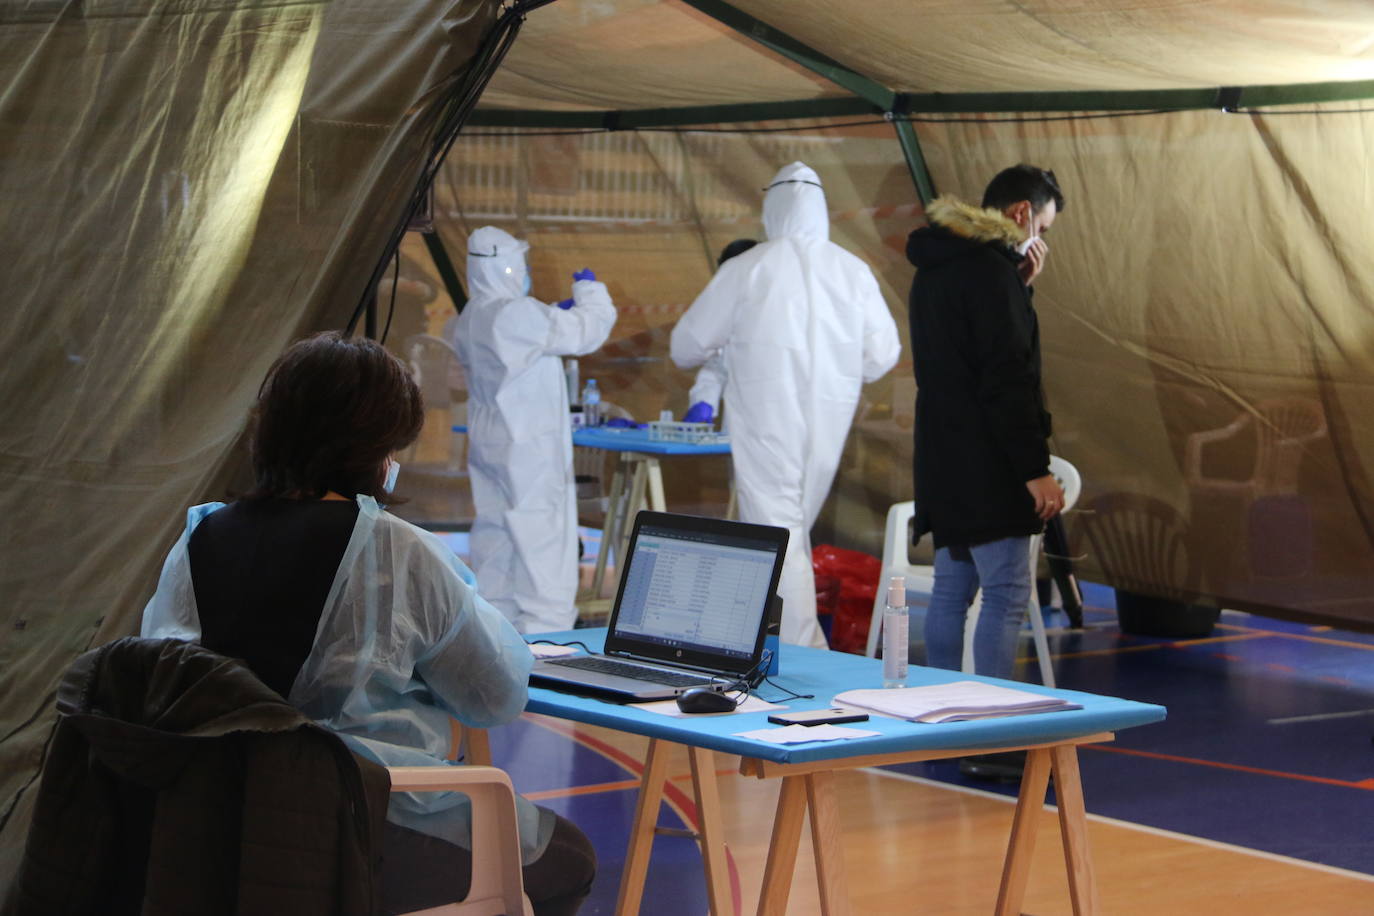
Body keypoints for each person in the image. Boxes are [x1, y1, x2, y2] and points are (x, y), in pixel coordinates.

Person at [141, 332, 596, 916]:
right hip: (358, 824)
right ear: (378, 448)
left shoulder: (200, 538)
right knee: (570, 859)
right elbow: (495, 696)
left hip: (210, 826)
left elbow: (163, 670)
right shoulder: (396, 551)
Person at [671, 162, 901, 647]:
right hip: (830, 420)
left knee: (779, 533)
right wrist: (838, 369)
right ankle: (769, 643)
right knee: (791, 535)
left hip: (765, 421)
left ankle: (802, 655)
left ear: (771, 206)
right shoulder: (853, 270)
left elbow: (685, 345)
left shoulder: (748, 267)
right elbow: (882, 356)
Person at [906, 164, 1066, 761]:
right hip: (990, 457)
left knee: (952, 590)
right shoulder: (990, 274)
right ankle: (992, 738)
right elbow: (1007, 377)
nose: (1042, 243)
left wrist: (1018, 285)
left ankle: (939, 723)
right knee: (1004, 592)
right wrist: (1034, 466)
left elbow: (961, 354)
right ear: (1022, 213)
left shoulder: (938, 266)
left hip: (942, 455)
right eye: (1043, 227)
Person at [453, 226, 617, 634]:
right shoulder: (516, 312)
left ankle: (495, 645)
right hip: (530, 450)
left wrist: (549, 316)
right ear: (508, 266)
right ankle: (548, 646)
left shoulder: (472, 314)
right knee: (544, 549)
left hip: (492, 446)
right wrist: (590, 292)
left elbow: (531, 338)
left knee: (498, 544)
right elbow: (587, 330)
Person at [682, 238, 758, 425]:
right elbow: (721, 363)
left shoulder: (788, 308)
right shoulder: (734, 311)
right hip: (743, 426)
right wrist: (703, 401)